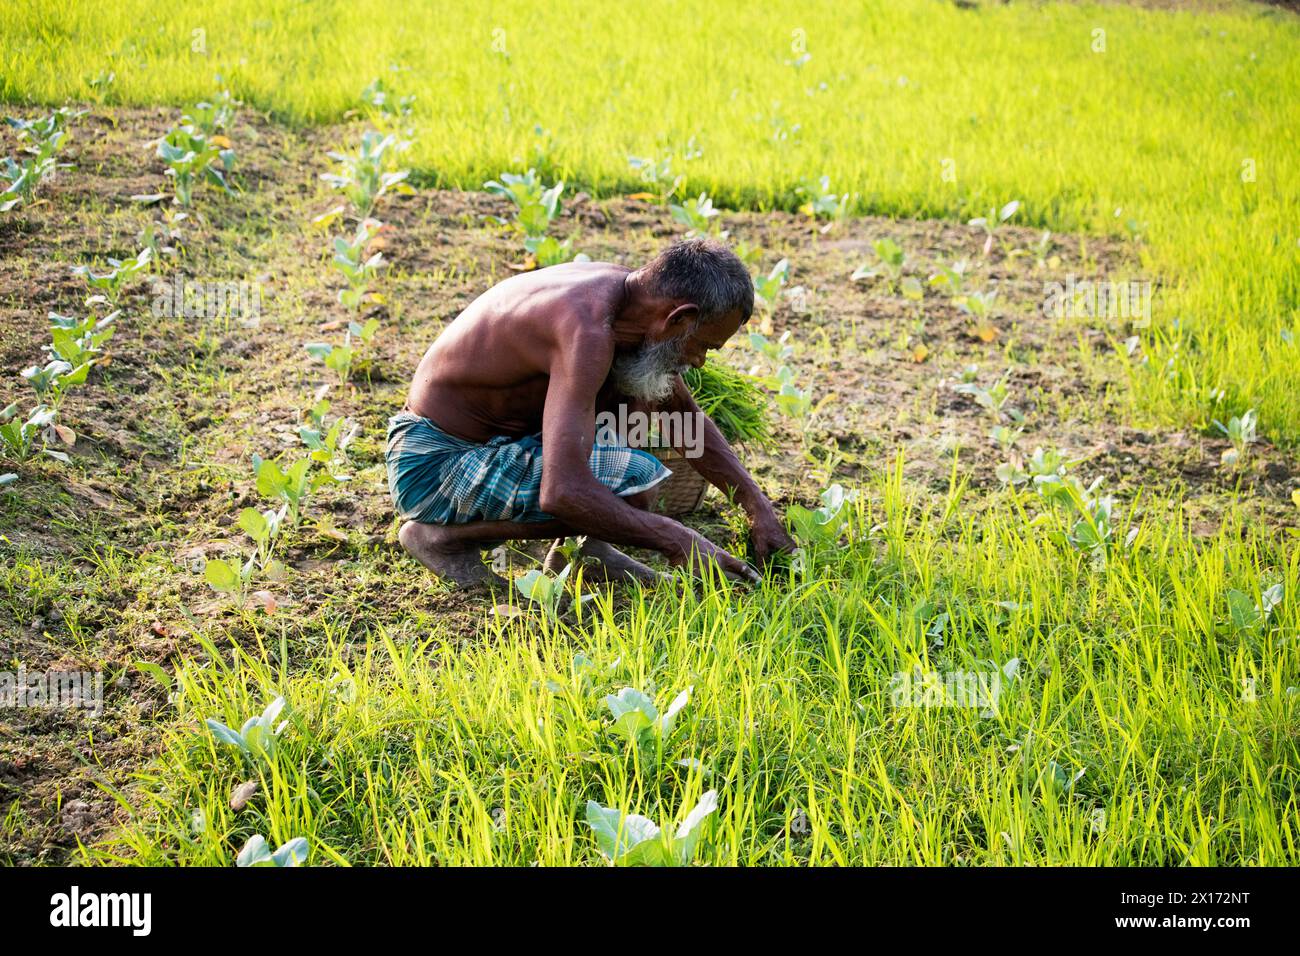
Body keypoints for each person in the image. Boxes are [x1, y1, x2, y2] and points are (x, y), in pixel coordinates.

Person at [386, 237, 795, 587]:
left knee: (636, 397)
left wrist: (756, 505)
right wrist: (677, 539)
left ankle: (591, 552)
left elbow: (682, 419)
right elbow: (562, 491)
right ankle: (440, 538)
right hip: (436, 464)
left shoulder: (633, 302)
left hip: (495, 444)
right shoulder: (586, 329)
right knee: (635, 481)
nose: (701, 361)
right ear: (679, 318)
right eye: (703, 346)